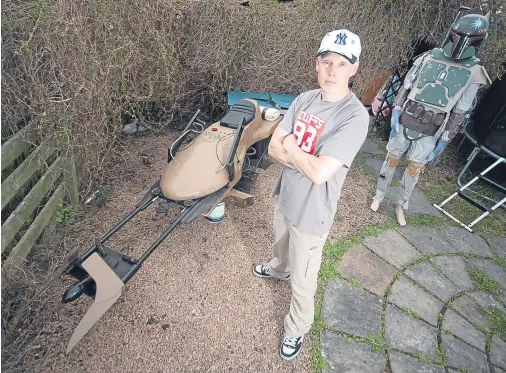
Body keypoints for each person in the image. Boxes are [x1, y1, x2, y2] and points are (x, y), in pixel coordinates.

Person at [253, 29, 369, 360]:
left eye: (341, 64)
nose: (332, 71)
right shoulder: (305, 99)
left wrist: (289, 143)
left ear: (354, 69)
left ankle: (296, 329)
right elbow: (272, 149)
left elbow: (319, 173)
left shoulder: (354, 117)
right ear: (317, 64)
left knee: (304, 282)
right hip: (287, 195)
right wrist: (297, 154)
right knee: (281, 246)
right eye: (326, 62)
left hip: (313, 212)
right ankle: (278, 269)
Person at [369, 12, 491, 226]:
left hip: (431, 128)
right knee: (391, 160)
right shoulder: (428, 57)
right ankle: (378, 196)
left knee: (414, 171)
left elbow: (459, 112)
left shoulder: (474, 72)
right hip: (407, 118)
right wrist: (396, 110)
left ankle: (400, 205)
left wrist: (445, 139)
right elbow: (406, 87)